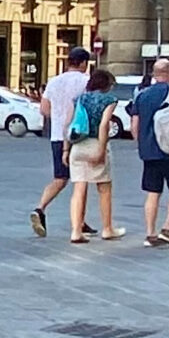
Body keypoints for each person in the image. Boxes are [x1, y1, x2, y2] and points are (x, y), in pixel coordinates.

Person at [129, 58, 169, 249]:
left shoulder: (142, 95)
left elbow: (135, 124)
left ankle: (150, 233)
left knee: (152, 192)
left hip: (150, 151)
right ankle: (167, 227)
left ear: (154, 74)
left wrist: (141, 144)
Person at [30, 46, 93, 238]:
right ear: (83, 63)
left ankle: (40, 208)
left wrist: (58, 118)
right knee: (82, 180)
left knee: (60, 178)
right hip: (80, 135)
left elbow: (44, 109)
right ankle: (79, 221)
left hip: (58, 135)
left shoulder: (54, 81)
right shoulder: (87, 82)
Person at [63, 66, 126, 244]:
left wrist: (65, 149)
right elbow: (104, 125)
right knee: (104, 188)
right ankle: (107, 228)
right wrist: (101, 149)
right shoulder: (109, 100)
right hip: (95, 143)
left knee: (79, 189)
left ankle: (76, 231)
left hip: (77, 145)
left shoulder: (79, 99)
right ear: (106, 84)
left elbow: (68, 123)